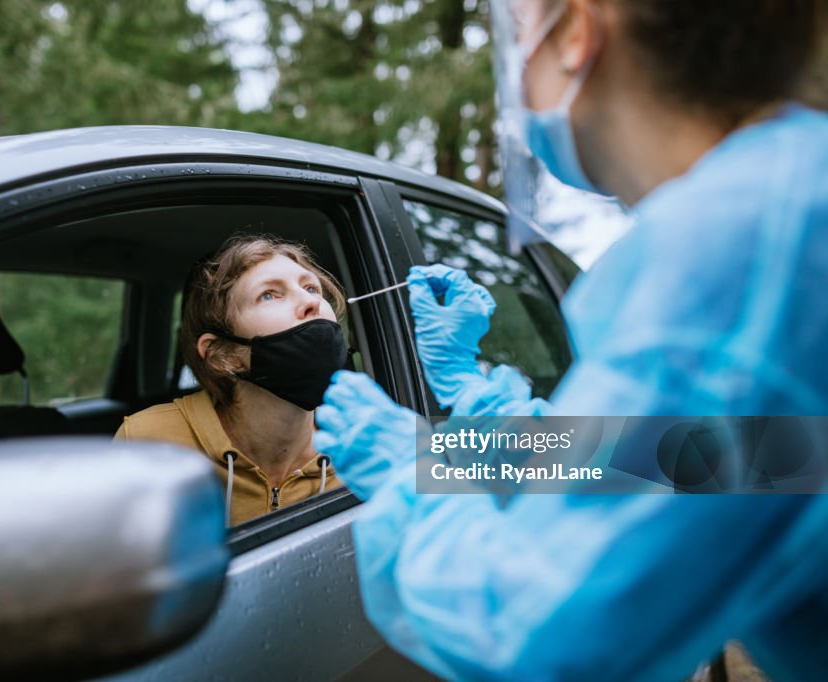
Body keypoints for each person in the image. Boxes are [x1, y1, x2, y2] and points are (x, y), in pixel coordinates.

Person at [313, 0, 828, 680]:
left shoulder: (745, 250)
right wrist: (466, 397)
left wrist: (410, 477)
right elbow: (703, 459)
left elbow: (541, 636)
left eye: (519, 29)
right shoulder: (788, 197)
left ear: (578, 31)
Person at [115, 234, 348, 526]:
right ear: (222, 356)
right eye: (269, 294)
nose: (310, 302)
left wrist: (424, 435)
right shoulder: (147, 441)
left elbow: (424, 534)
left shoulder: (370, 437)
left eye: (311, 287)